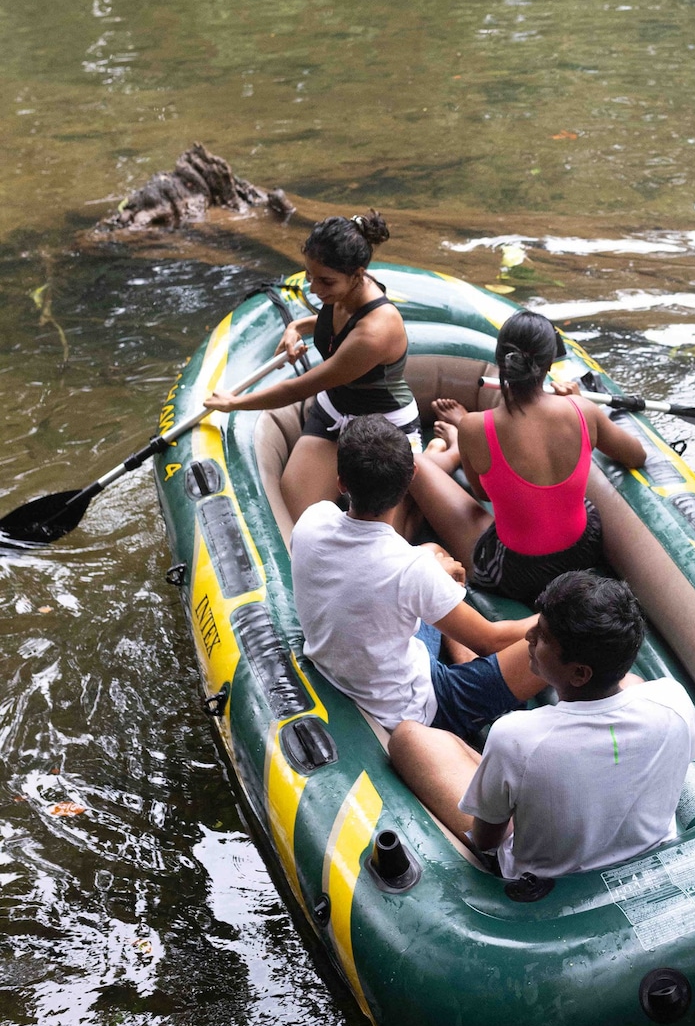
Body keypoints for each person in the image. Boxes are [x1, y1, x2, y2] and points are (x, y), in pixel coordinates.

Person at [389, 570, 695, 880]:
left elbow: (486, 841)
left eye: (542, 637)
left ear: (580, 674)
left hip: (546, 882)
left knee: (410, 736)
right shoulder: (674, 699)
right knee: (635, 684)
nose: (528, 636)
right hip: (645, 850)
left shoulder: (516, 737)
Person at [291, 416, 545, 742]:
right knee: (563, 637)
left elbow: (381, 575)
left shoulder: (314, 518)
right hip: (415, 705)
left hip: (345, 664)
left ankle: (461, 657)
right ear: (411, 478)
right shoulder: (409, 570)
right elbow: (491, 640)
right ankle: (467, 675)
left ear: (341, 482)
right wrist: (554, 616)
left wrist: (432, 570)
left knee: (431, 551)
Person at [409, 309, 647, 606]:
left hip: (519, 571)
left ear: (502, 361)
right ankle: (457, 448)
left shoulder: (475, 427)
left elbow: (482, 494)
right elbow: (636, 455)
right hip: (583, 550)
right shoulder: (582, 410)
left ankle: (454, 448)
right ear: (548, 365)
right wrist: (579, 404)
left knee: (415, 466)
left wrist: (463, 432)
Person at [205, 211, 419, 519]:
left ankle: (432, 462)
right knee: (296, 517)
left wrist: (236, 402)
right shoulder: (346, 290)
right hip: (335, 414)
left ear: (358, 275)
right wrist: (296, 328)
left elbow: (299, 387)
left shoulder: (376, 332)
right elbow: (335, 321)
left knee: (376, 534)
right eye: (310, 277)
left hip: (382, 432)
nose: (315, 290)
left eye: (326, 281)